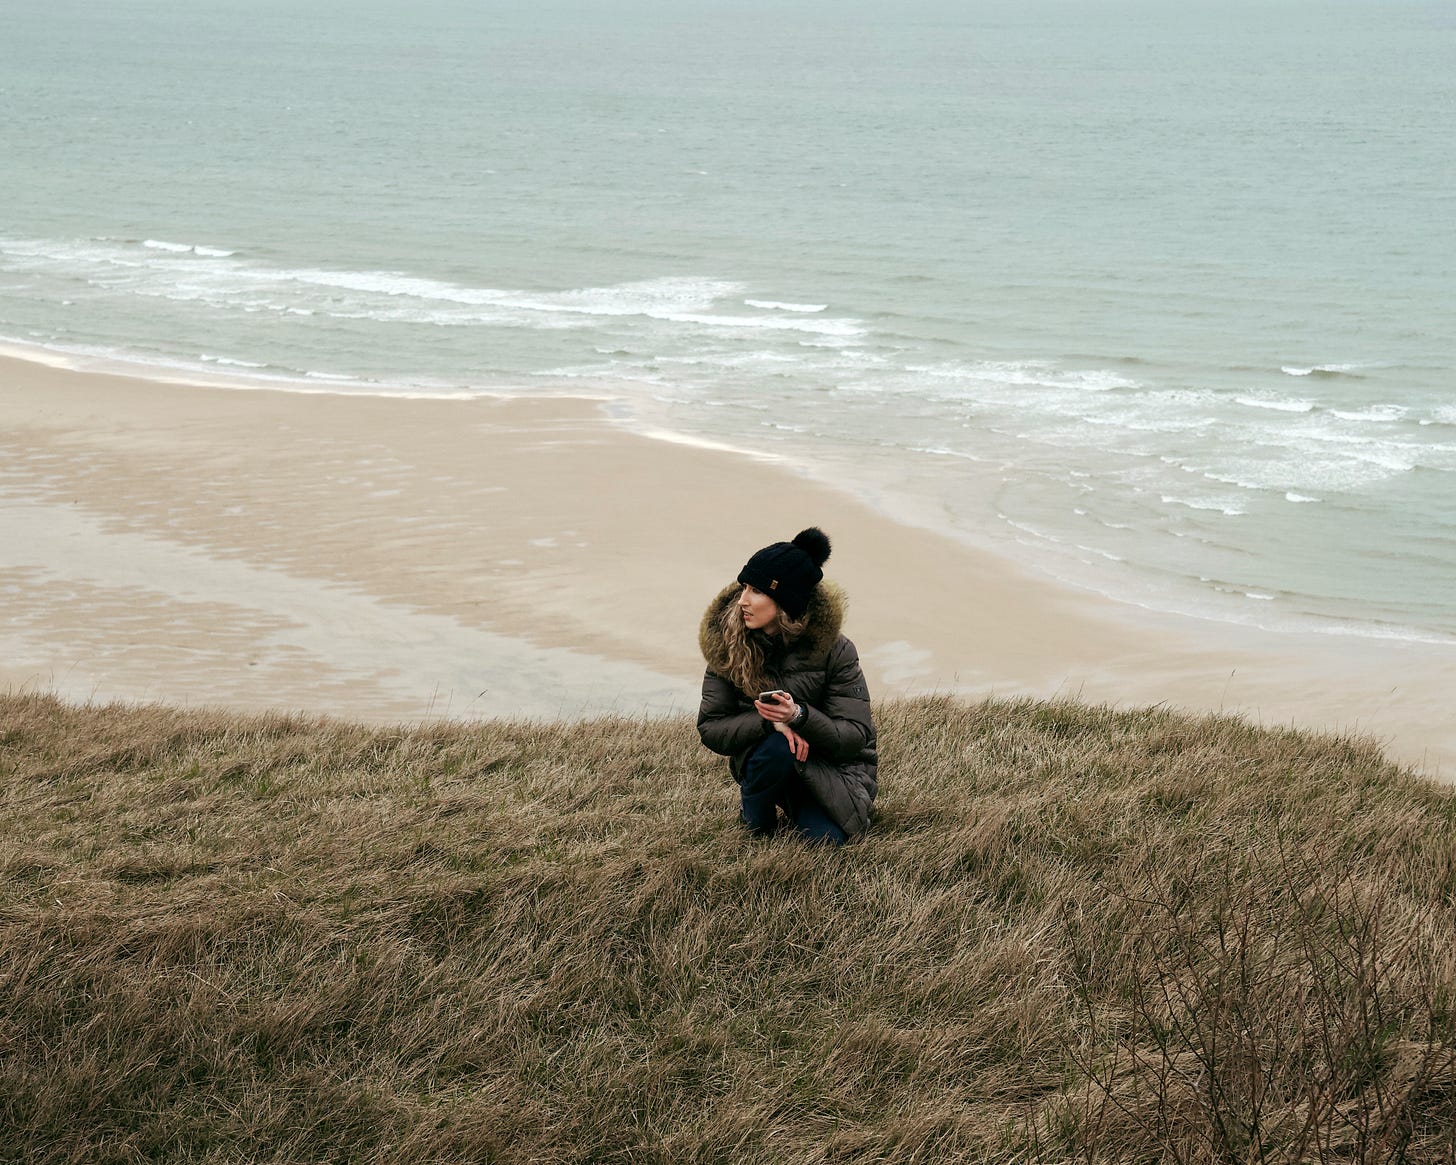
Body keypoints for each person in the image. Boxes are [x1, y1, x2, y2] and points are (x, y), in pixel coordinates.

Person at [697, 527, 877, 845]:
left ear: (785, 601)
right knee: (777, 748)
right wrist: (770, 723)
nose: (743, 601)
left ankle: (800, 806)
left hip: (827, 766)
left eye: (757, 591)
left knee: (825, 842)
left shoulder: (836, 650)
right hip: (767, 758)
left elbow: (855, 736)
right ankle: (757, 818)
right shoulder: (727, 644)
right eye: (744, 587)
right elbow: (711, 728)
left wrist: (799, 715)